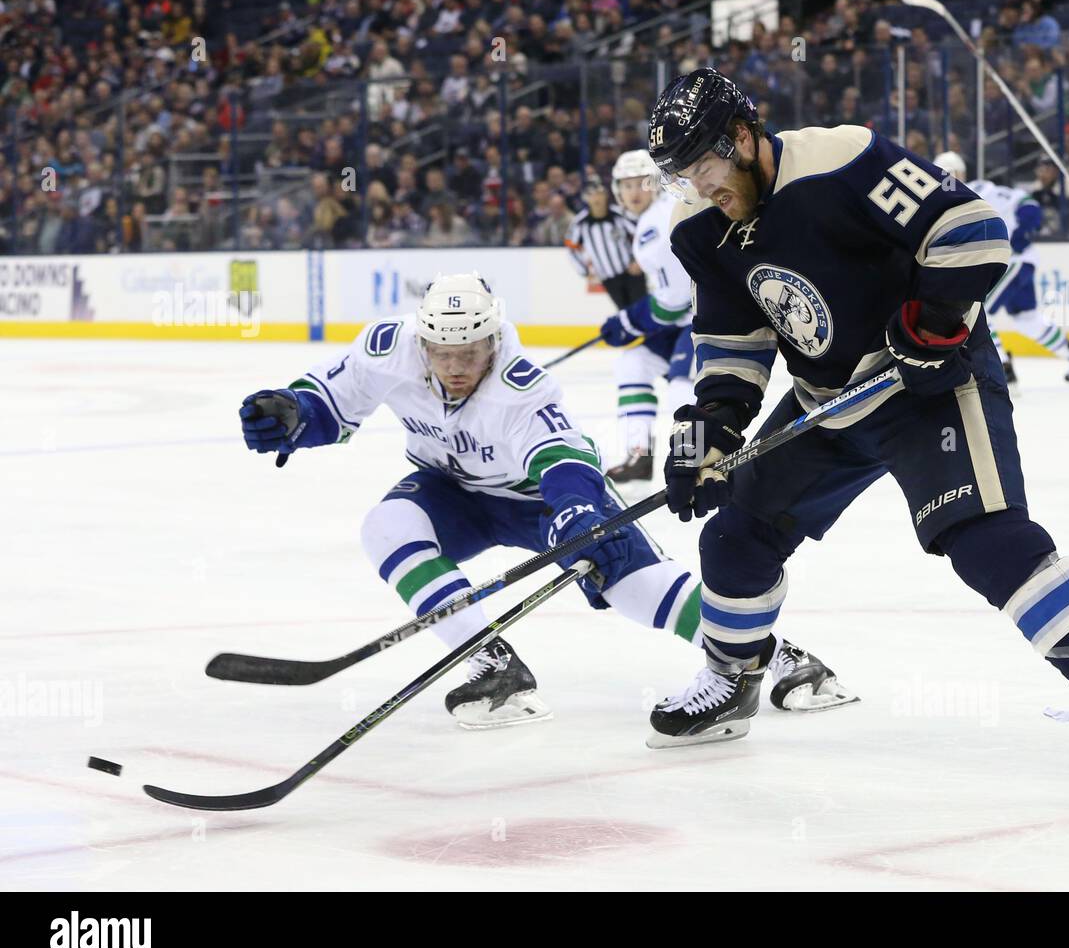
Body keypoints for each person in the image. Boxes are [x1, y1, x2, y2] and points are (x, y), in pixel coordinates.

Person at [644, 69, 1069, 804]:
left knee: (983, 538)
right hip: (829, 399)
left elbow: (970, 228)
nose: (696, 183)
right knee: (735, 535)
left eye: (705, 164)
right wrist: (712, 427)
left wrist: (932, 321)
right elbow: (732, 336)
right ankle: (731, 678)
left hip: (926, 385)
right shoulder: (698, 224)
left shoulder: (841, 157)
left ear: (742, 137)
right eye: (681, 172)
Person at [238, 272, 855, 730]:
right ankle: (491, 662)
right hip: (451, 490)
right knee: (386, 527)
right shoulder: (390, 349)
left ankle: (774, 654)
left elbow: (562, 460)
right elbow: (330, 400)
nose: (455, 367)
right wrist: (292, 415)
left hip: (540, 500)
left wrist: (575, 510)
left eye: (470, 353)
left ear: (493, 340)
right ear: (422, 342)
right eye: (443, 353)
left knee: (637, 591)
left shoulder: (520, 386)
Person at [933, 151, 1069, 390]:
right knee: (1026, 318)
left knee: (976, 309)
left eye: (949, 174)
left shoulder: (977, 189)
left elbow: (1026, 203)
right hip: (1015, 263)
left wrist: (1021, 234)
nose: (946, 180)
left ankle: (1002, 368)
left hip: (1012, 261)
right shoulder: (946, 206)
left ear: (960, 173)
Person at [598, 149, 697, 483]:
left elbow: (675, 300)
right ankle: (640, 454)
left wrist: (629, 321)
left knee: (683, 385)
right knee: (634, 361)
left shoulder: (657, 222)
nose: (633, 192)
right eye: (626, 186)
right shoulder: (655, 216)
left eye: (641, 183)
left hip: (707, 316)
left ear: (655, 183)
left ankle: (693, 457)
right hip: (688, 318)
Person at [564, 175, 644, 311]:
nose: (596, 197)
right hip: (608, 278)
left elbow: (642, 233)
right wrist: (584, 271)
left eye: (599, 193)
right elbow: (571, 248)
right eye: (591, 194)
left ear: (606, 195)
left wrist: (639, 260)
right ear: (585, 198)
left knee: (642, 310)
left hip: (631, 273)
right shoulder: (579, 223)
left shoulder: (620, 214)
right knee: (625, 313)